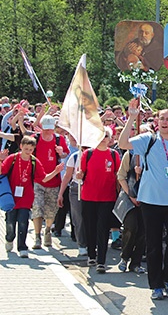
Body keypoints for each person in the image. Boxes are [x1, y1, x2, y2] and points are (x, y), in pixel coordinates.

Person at [119, 101, 168, 300]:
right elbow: (122, 144)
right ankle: (156, 286)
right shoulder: (148, 139)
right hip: (150, 202)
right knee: (153, 244)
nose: (164, 122)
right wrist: (130, 117)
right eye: (161, 118)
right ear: (157, 121)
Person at [2, 136, 63, 258]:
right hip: (11, 197)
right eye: (26, 149)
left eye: (30, 149)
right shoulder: (12, 159)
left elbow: (43, 178)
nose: (28, 152)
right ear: (21, 147)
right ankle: (9, 239)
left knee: (23, 222)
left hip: (26, 197)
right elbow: (1, 171)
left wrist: (56, 172)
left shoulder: (34, 161)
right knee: (10, 223)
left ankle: (22, 247)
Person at [77, 127, 121, 273]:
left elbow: (118, 176)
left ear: (110, 139)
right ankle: (91, 254)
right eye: (101, 135)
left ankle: (101, 261)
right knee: (90, 227)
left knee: (103, 228)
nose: (103, 138)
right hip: (88, 197)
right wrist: (79, 174)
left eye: (106, 136)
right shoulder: (87, 154)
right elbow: (82, 173)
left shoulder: (114, 155)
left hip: (107, 198)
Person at [31, 115, 69, 249]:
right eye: (45, 129)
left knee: (51, 210)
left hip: (54, 181)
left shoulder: (60, 139)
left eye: (50, 129)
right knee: (37, 207)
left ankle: (47, 230)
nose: (48, 132)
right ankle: (36, 236)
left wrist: (61, 153)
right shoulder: (35, 139)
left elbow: (65, 155)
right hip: (38, 180)